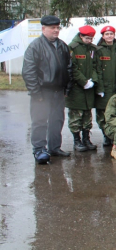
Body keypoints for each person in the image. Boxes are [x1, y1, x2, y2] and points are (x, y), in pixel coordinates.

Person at [23, 15, 73, 164]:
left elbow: (69, 68)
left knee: (57, 120)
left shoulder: (63, 45)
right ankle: (39, 150)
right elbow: (29, 71)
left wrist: (67, 89)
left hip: (59, 91)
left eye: (58, 28)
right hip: (42, 91)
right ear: (44, 29)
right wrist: (36, 93)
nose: (56, 30)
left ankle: (54, 148)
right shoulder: (35, 46)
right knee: (39, 121)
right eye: (53, 28)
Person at [66, 25, 99, 152]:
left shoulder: (93, 49)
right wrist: (83, 81)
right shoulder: (72, 48)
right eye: (86, 38)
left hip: (89, 87)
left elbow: (96, 66)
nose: (89, 40)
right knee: (76, 116)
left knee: (87, 116)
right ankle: (77, 140)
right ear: (81, 36)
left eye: (91, 38)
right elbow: (72, 67)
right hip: (76, 88)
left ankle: (86, 139)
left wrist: (93, 80)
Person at [95, 26, 116, 147]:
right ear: (103, 36)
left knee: (115, 112)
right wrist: (99, 87)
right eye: (107, 34)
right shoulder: (99, 50)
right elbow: (97, 69)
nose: (109, 36)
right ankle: (106, 135)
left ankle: (115, 135)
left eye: (111, 34)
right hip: (104, 87)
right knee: (102, 113)